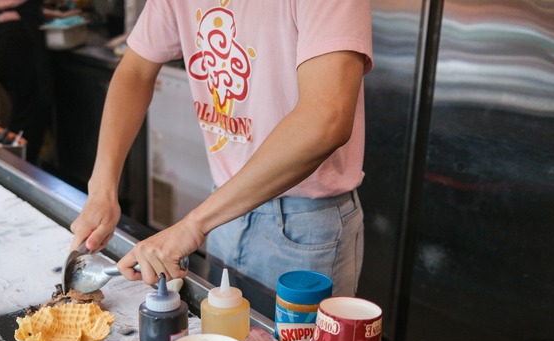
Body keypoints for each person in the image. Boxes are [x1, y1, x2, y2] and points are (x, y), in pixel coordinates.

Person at [70, 0, 373, 296]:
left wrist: (194, 225)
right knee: (226, 339)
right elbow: (135, 71)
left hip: (303, 224)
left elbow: (326, 118)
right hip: (224, 210)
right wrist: (101, 189)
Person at [0, 0, 53, 165]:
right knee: (30, 113)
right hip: (15, 38)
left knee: (22, 110)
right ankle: (21, 171)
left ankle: (17, 168)